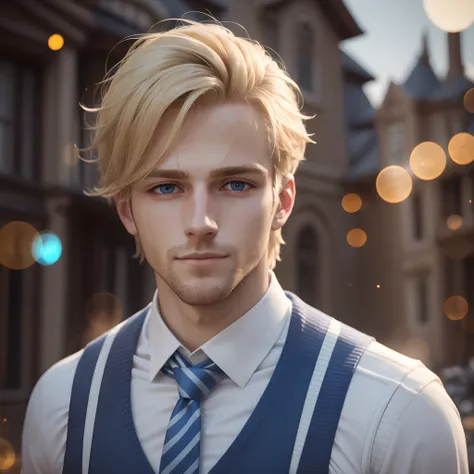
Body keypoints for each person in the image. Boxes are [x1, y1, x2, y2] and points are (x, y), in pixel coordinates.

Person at [21, 19, 468, 474]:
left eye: (235, 184)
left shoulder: (399, 414)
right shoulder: (62, 404)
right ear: (126, 209)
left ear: (283, 200)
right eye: (165, 188)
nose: (201, 223)